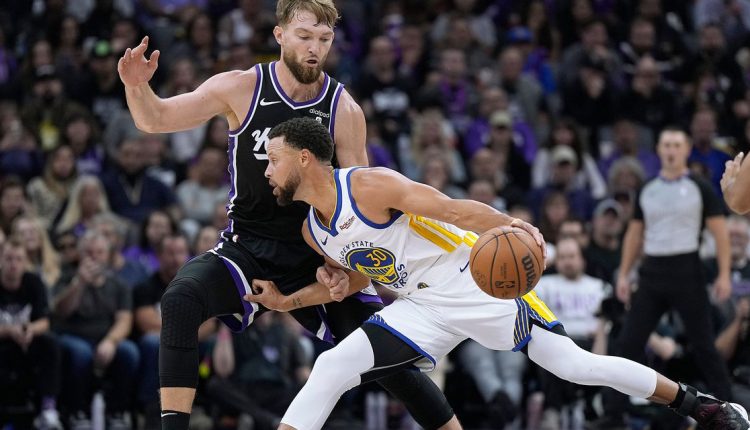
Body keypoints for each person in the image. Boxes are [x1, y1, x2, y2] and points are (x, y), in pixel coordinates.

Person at [253, 117, 749, 430]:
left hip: (472, 277)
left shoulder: (367, 186)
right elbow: (363, 275)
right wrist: (291, 300)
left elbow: (453, 209)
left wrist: (512, 225)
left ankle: (698, 405)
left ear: (304, 158)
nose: (267, 170)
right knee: (331, 367)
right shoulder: (314, 231)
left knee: (574, 365)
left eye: (273, 159)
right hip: (419, 305)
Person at [117, 1, 459, 429]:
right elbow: (155, 119)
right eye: (304, 36)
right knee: (180, 299)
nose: (315, 48)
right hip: (248, 246)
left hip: (317, 253)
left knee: (389, 357)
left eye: (324, 39)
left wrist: (345, 270)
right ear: (279, 35)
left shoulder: (343, 109)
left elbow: (361, 203)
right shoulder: (243, 87)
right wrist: (137, 87)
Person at [612, 126, 735, 424]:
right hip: (652, 272)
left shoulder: (700, 187)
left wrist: (724, 274)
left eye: (677, 145)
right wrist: (624, 274)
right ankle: (612, 415)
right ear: (658, 149)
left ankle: (731, 412)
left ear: (686, 149)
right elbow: (634, 234)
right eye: (666, 144)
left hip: (687, 270)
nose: (671, 150)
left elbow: (720, 233)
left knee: (704, 346)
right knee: (628, 343)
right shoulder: (647, 188)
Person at [0, 238, 62, 430]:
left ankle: (48, 408)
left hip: (27, 338)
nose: (13, 264)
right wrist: (10, 331)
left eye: (19, 259)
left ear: (25, 261)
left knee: (51, 343)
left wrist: (29, 330)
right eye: (9, 258)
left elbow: (45, 321)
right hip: (3, 339)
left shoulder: (34, 282)